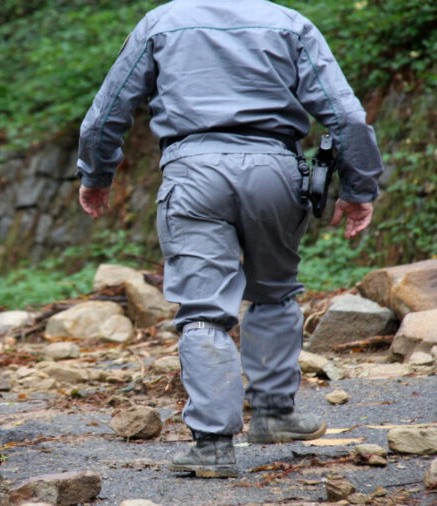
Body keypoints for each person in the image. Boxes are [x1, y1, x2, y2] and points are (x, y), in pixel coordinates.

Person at [77, 0, 382, 478]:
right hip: (275, 169)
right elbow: (345, 113)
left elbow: (107, 111)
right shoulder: (289, 22)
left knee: (202, 310)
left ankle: (214, 446)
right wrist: (360, 187)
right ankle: (274, 414)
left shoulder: (162, 21)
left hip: (194, 170)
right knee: (275, 292)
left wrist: (96, 173)